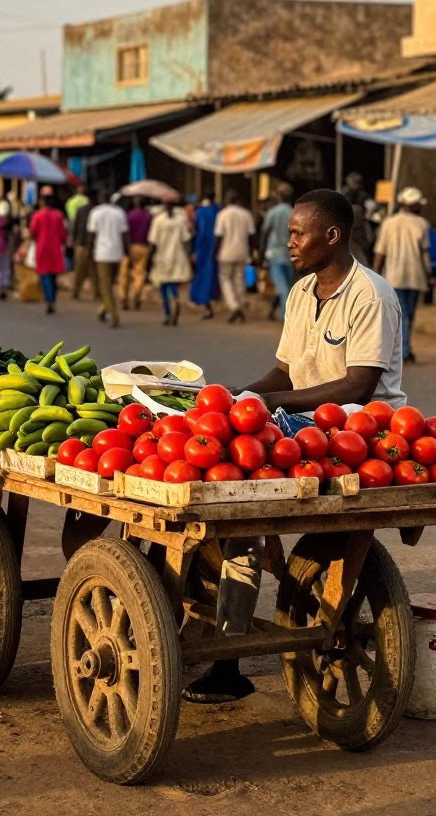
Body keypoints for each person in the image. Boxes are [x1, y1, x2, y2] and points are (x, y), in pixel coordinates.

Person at [183, 188, 404, 704]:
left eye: (298, 233)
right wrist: (238, 394)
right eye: (289, 233)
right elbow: (282, 370)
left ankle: (226, 659)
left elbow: (358, 386)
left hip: (354, 427)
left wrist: (271, 405)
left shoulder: (371, 294)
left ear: (332, 235)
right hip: (297, 420)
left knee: (238, 507)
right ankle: (209, 625)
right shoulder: (302, 292)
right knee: (223, 440)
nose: (289, 242)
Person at [373, 186, 433, 365]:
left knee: (399, 315)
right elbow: (425, 254)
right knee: (409, 315)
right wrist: (429, 275)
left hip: (394, 276)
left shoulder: (388, 223)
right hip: (415, 276)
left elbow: (380, 253)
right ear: (414, 206)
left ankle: (401, 349)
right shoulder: (422, 224)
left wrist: (375, 275)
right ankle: (404, 350)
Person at [87, 191, 130, 327]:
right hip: (116, 252)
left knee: (105, 286)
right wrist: (127, 252)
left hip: (102, 252)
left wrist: (89, 251)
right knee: (110, 284)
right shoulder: (119, 213)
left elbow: (91, 235)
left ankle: (113, 315)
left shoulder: (95, 213)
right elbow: (125, 234)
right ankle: (102, 309)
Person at [214, 190, 256, 323]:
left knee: (225, 279)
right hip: (242, 251)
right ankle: (240, 304)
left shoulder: (222, 214)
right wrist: (252, 251)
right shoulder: (246, 214)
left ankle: (234, 306)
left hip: (226, 252)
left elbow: (219, 236)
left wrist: (215, 252)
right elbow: (252, 235)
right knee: (239, 279)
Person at [148, 201, 192, 325]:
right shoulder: (180, 220)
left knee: (163, 285)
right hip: (178, 255)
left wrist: (149, 259)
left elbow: (153, 241)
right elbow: (186, 239)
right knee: (173, 282)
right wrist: (189, 256)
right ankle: (175, 299)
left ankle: (167, 313)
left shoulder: (158, 220)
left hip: (162, 256)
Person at [260, 183, 294, 321]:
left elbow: (265, 232)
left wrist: (261, 252)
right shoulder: (293, 212)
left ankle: (286, 315)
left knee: (281, 286)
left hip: (274, 252)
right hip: (290, 253)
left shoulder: (273, 212)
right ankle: (281, 311)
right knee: (288, 283)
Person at [29, 194, 67, 314]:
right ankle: (52, 299)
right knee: (53, 275)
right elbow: (63, 234)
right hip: (55, 248)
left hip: (42, 247)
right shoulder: (58, 215)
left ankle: (49, 299)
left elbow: (33, 231)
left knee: (45, 274)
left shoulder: (38, 215)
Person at [189, 193, 220, 319]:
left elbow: (198, 233)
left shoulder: (200, 212)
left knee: (202, 276)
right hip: (215, 249)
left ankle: (204, 306)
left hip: (202, 248)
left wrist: (194, 250)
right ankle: (207, 305)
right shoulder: (217, 211)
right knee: (211, 277)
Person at [119, 196, 152, 310]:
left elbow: (124, 232)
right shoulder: (148, 217)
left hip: (129, 246)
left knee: (124, 273)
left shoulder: (128, 216)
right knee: (140, 272)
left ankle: (123, 297)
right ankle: (137, 296)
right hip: (143, 246)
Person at [71, 197, 94, 299]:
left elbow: (76, 227)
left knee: (79, 270)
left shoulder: (81, 210)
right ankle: (97, 293)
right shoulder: (96, 210)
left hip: (81, 244)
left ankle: (76, 292)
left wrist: (75, 241)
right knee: (94, 271)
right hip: (93, 245)